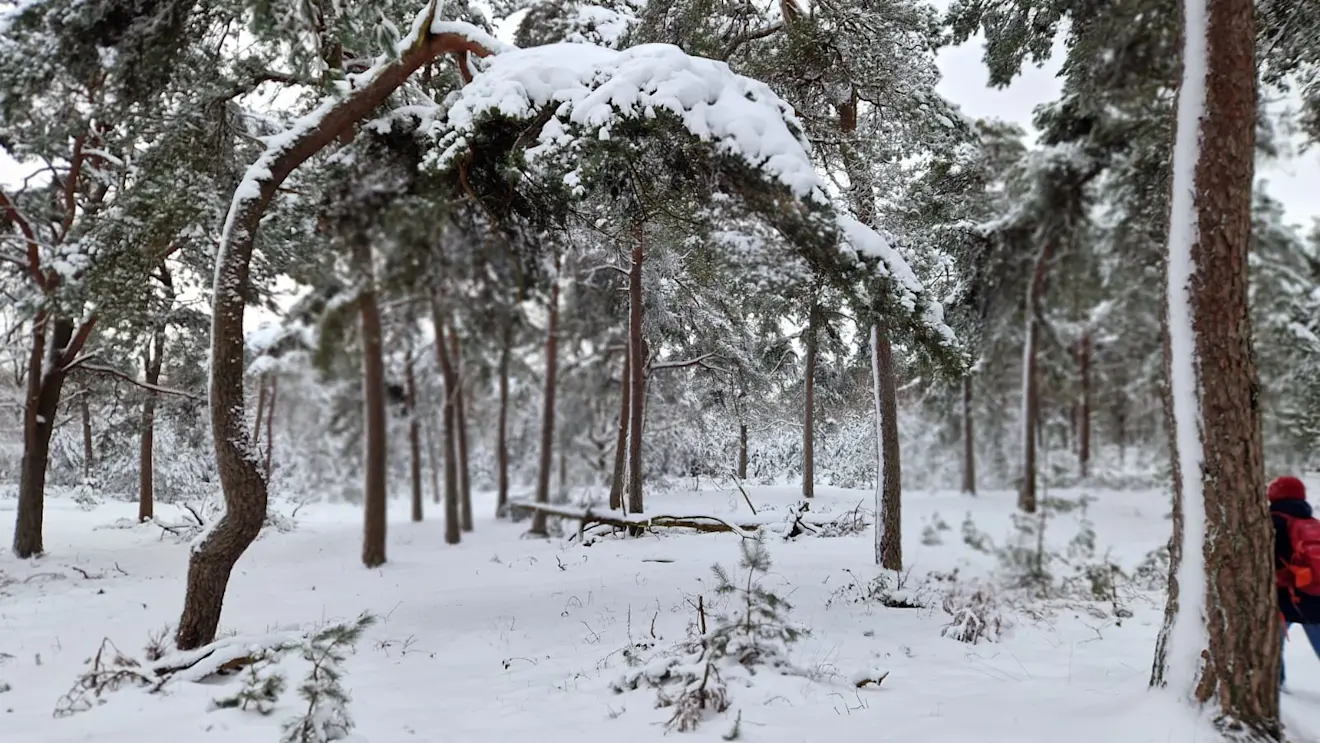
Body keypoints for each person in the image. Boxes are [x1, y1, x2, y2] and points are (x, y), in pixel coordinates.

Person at [1270, 475, 1320, 689]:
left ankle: (1275, 687)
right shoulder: (1311, 521)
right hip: (1315, 592)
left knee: (1271, 644)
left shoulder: (1273, 521)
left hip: (1284, 594)